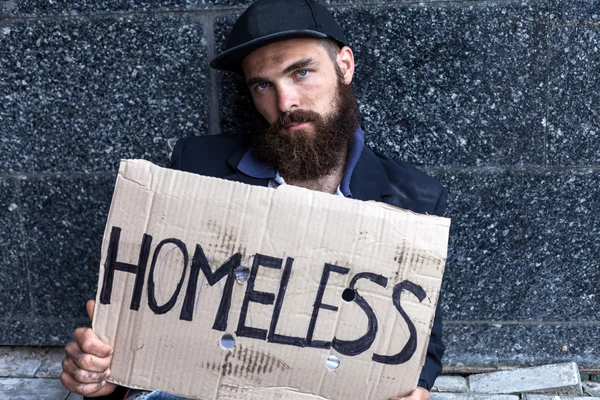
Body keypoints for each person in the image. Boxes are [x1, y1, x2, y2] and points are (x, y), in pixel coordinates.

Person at [60, 0, 447, 399]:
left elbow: (420, 339)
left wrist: (414, 387)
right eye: (263, 85)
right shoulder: (195, 164)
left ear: (344, 65)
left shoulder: (414, 199)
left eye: (301, 72)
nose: (285, 104)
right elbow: (149, 312)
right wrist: (104, 372)